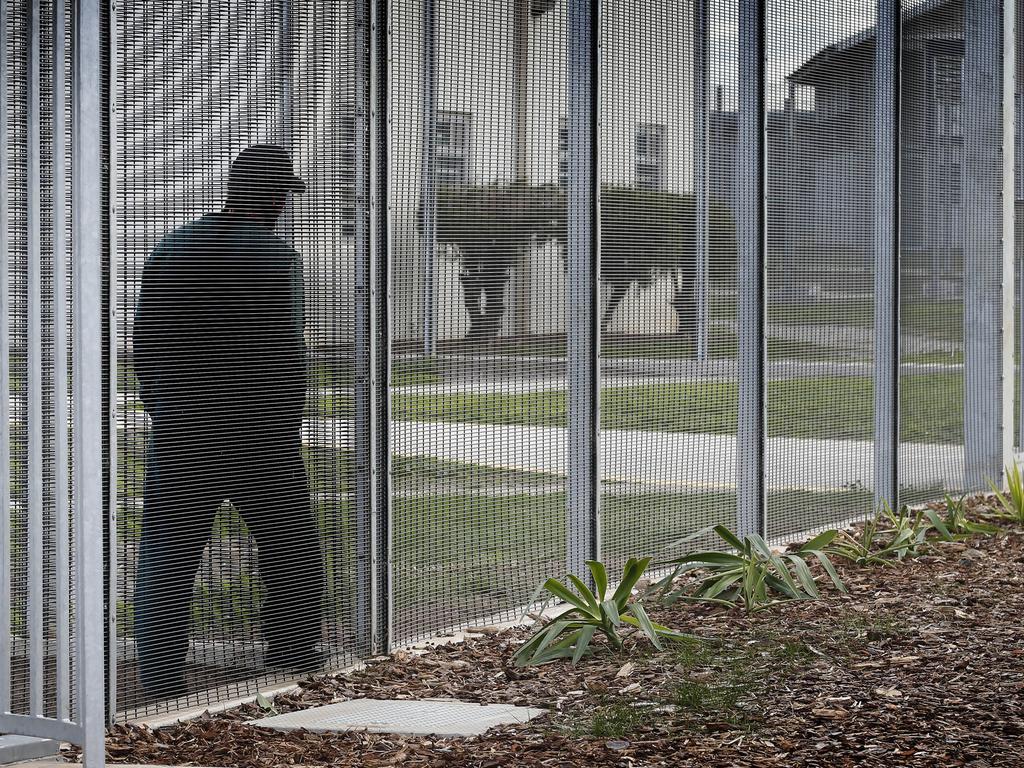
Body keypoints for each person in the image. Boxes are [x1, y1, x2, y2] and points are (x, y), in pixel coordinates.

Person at [132, 145, 324, 699]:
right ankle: (291, 652)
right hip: (259, 433)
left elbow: (145, 343)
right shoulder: (274, 258)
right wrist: (286, 419)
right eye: (285, 196)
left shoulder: (172, 247)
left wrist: (165, 409)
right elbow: (286, 351)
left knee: (168, 553)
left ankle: (160, 678)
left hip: (184, 430)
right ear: (277, 198)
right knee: (291, 544)